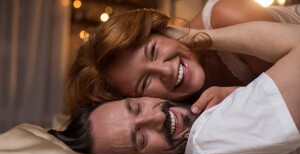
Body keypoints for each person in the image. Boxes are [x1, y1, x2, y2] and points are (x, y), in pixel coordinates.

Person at [49, 22, 300, 154]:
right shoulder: (206, 139)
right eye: (141, 140)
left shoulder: (217, 20)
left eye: (136, 108)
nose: (157, 118)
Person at [64, 4, 300, 116]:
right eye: (145, 83)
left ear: (164, 31)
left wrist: (197, 38)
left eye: (154, 50)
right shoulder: (175, 111)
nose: (165, 71)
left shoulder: (227, 15)